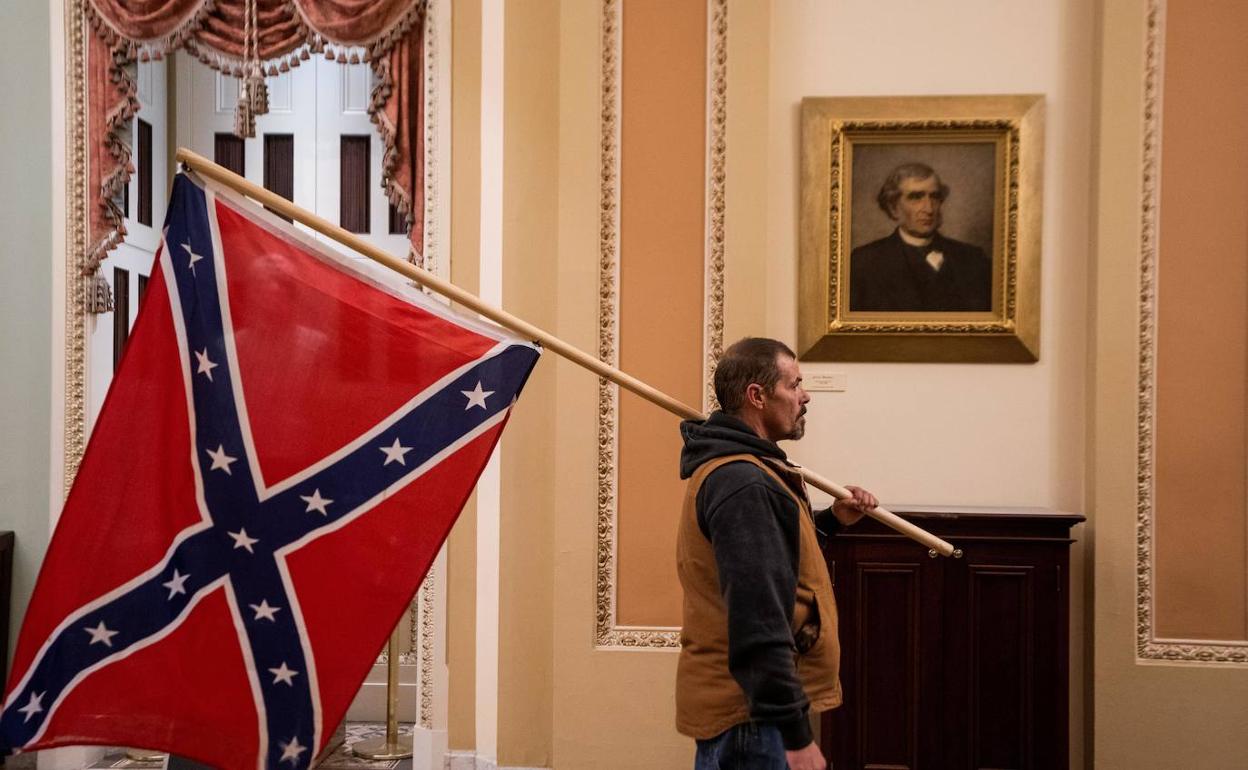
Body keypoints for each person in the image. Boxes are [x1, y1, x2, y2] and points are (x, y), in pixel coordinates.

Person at [676, 337, 878, 770]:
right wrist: (795, 736)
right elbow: (759, 618)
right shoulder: (743, 482)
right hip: (753, 717)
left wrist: (830, 521)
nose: (805, 396)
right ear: (757, 395)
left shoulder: (748, 471)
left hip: (752, 711)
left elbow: (774, 565)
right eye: (794, 384)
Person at [849, 162, 992, 312]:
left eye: (935, 197)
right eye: (916, 197)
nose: (929, 209)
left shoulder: (974, 258)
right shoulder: (863, 262)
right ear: (893, 207)